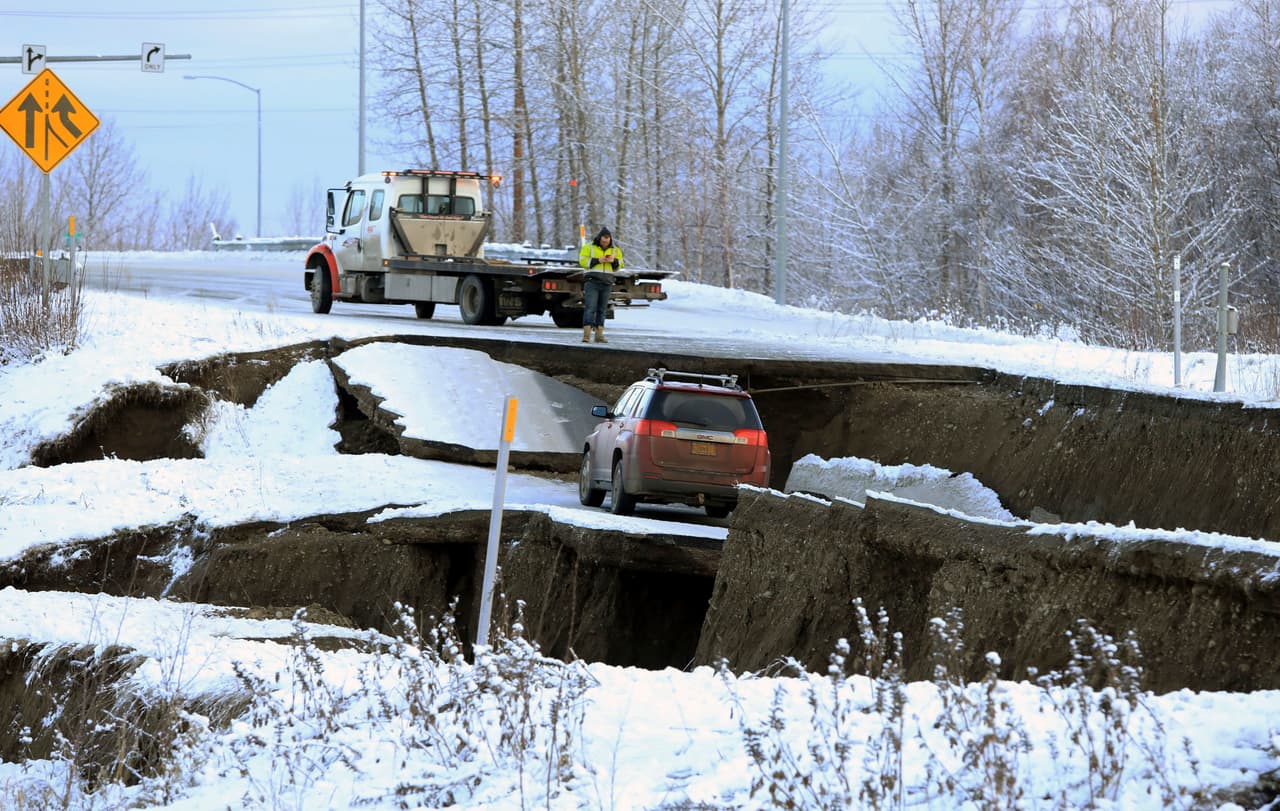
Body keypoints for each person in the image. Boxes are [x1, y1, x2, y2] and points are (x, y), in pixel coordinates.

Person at [577, 226, 624, 343]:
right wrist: (598, 260)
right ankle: (586, 335)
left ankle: (599, 335)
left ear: (610, 239)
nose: (605, 243)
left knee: (602, 310)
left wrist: (614, 261)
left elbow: (621, 265)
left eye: (607, 241)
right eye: (603, 241)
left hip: (607, 283)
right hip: (592, 281)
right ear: (599, 238)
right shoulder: (589, 247)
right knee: (590, 308)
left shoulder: (615, 250)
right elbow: (582, 261)